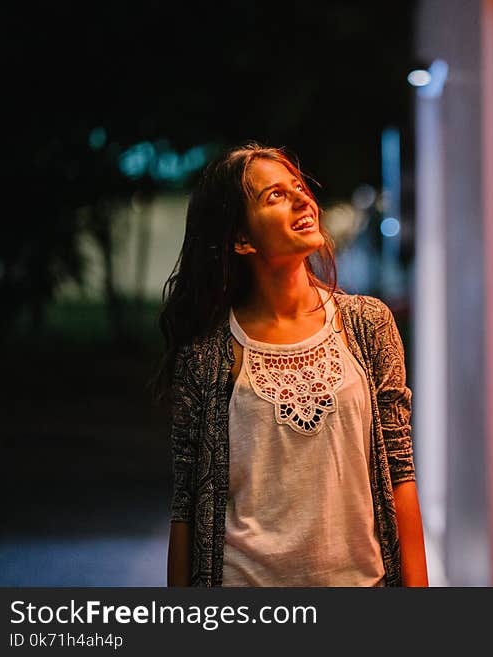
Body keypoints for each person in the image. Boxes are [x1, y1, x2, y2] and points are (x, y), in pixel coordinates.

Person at [155, 142, 428, 587]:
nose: (303, 200)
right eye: (274, 196)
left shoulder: (367, 325)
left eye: (298, 188)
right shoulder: (206, 356)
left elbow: (400, 470)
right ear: (241, 240)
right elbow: (186, 504)